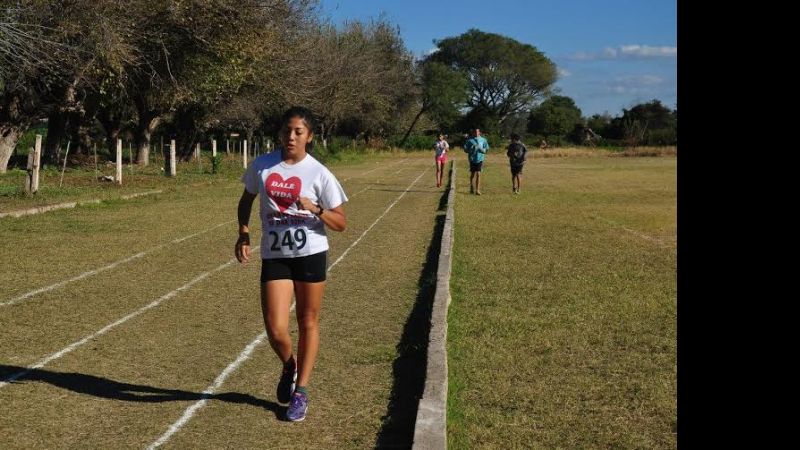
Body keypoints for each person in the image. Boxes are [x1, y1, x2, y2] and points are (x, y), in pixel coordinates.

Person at [235, 106, 348, 422]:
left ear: (309, 137)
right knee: (275, 327)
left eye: (299, 132)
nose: (291, 137)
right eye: (287, 130)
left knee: (308, 320)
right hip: (276, 255)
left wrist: (316, 209)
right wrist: (244, 234)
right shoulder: (262, 165)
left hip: (311, 253)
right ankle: (289, 364)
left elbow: (341, 223)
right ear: (279, 133)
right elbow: (246, 200)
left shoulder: (319, 173)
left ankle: (301, 391)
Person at [463, 128, 489, 195]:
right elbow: (465, 150)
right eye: (475, 132)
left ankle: (477, 190)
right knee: (472, 174)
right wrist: (471, 149)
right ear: (473, 133)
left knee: (478, 174)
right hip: (472, 159)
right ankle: (471, 187)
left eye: (477, 132)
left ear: (479, 132)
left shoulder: (483, 140)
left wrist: (482, 150)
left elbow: (486, 149)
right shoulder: (470, 140)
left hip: (480, 159)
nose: (476, 133)